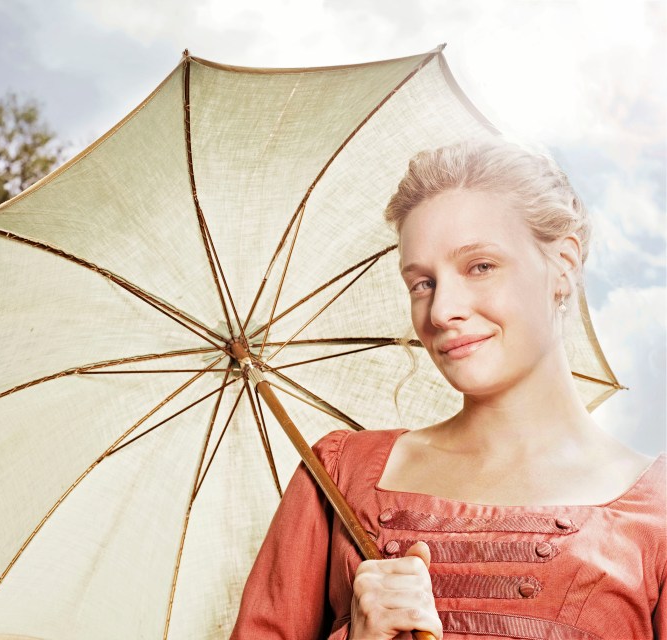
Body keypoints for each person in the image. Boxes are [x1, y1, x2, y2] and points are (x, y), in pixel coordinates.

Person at [229, 139, 666, 639]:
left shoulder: (657, 514)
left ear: (563, 265)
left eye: (480, 266)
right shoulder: (337, 477)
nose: (440, 312)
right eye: (421, 283)